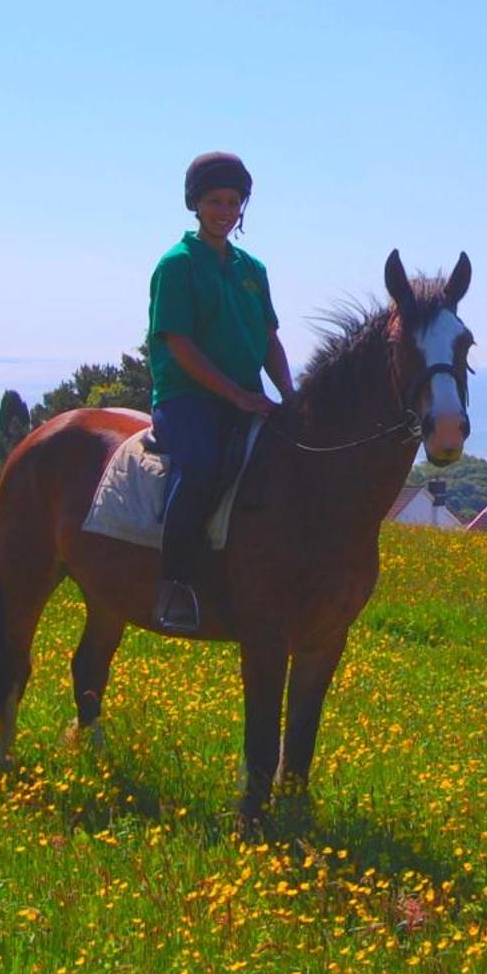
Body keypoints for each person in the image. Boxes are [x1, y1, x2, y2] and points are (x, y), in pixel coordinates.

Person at [146, 152, 295, 633]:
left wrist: (290, 396)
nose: (225, 210)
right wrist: (235, 396)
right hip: (187, 400)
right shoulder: (177, 266)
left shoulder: (252, 268)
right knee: (203, 466)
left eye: (234, 202)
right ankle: (175, 584)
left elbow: (269, 338)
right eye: (215, 201)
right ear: (195, 203)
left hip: (246, 395)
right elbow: (179, 344)